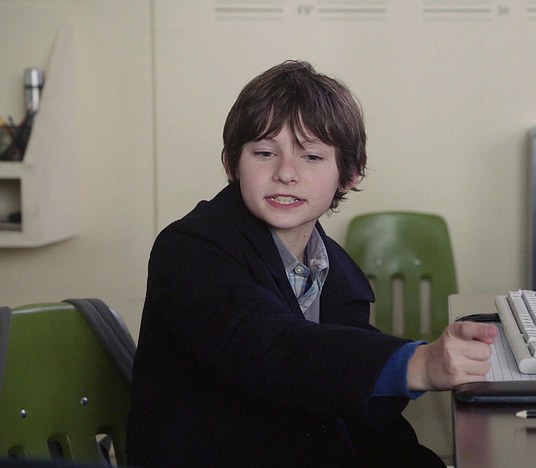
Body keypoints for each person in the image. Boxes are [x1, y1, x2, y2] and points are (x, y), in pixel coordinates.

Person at [126, 60, 497, 467]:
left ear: (349, 174)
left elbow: (356, 419)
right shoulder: (189, 249)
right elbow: (271, 348)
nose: (286, 173)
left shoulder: (333, 268)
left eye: (312, 157)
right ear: (232, 164)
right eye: (264, 153)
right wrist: (418, 363)